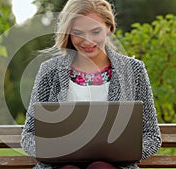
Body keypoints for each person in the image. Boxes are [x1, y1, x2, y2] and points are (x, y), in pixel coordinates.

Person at [21, 0, 162, 168]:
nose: (87, 41)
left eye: (95, 31)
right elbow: (29, 134)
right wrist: (51, 153)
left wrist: (125, 153)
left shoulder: (133, 70)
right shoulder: (49, 70)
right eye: (78, 33)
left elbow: (152, 136)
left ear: (109, 28)